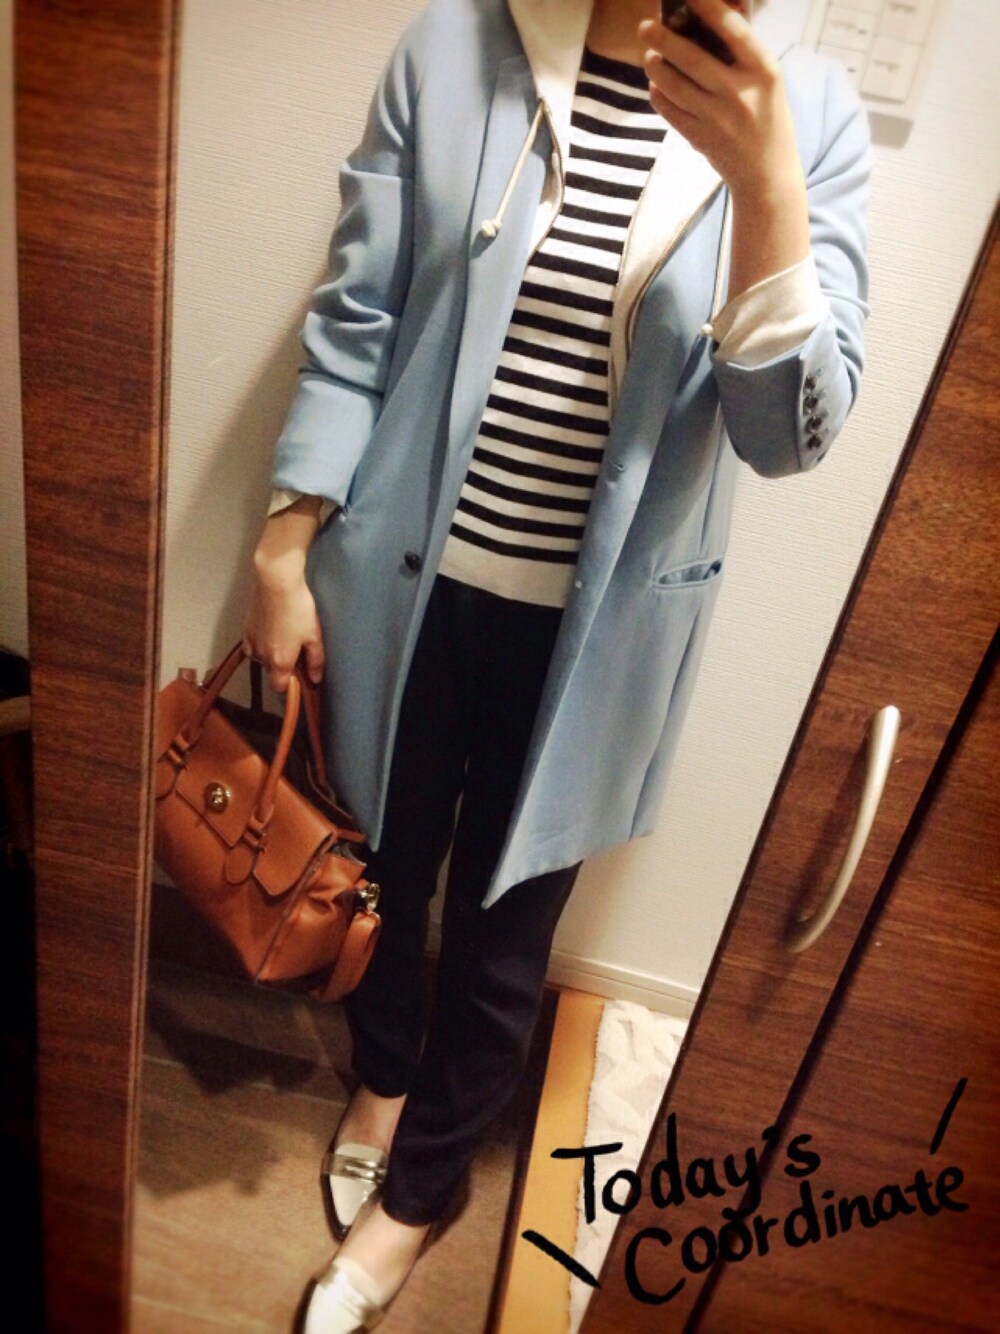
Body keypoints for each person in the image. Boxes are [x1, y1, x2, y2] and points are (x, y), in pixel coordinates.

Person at [241, 0, 872, 1327]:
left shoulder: (806, 117)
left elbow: (787, 435)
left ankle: (419, 1195)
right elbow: (359, 317)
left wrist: (766, 182)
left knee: (502, 935)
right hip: (405, 586)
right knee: (384, 863)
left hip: (597, 639)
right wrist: (283, 547)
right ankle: (381, 1079)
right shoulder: (456, 45)